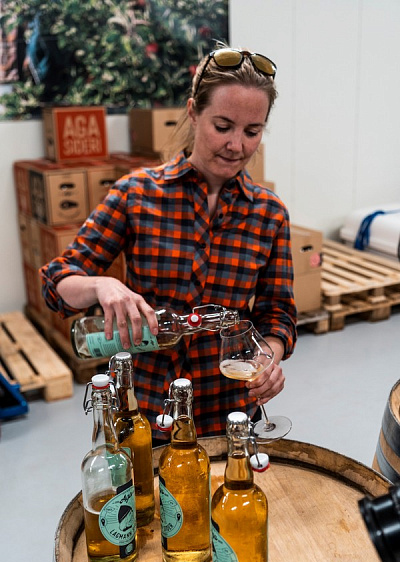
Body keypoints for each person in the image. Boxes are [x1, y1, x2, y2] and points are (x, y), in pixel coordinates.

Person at [40, 42, 297, 444]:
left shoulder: (269, 213)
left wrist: (269, 356)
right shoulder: (136, 194)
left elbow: (277, 312)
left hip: (227, 413)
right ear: (193, 112)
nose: (237, 146)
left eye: (252, 131)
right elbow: (57, 282)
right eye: (223, 126)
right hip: (145, 412)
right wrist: (101, 285)